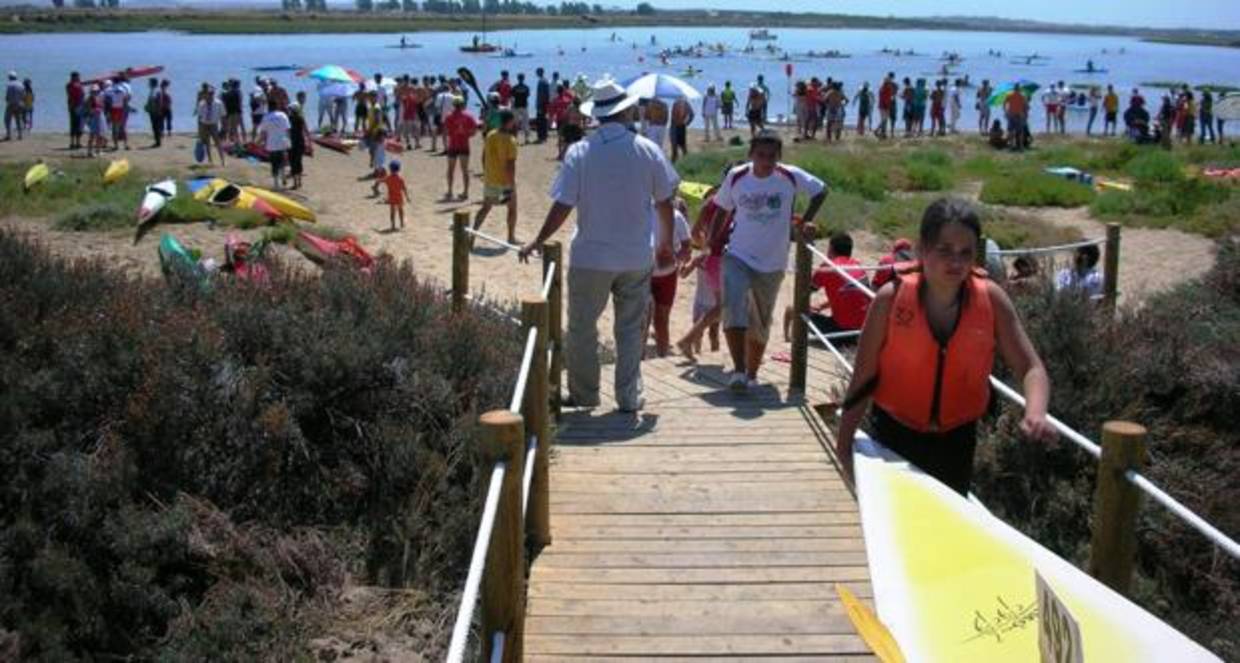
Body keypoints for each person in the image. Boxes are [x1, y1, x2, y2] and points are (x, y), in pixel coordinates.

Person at [834, 198, 1056, 495]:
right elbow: (863, 378)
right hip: (893, 439)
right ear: (922, 248)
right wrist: (844, 445)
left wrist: (1036, 411)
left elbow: (1031, 367)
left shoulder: (991, 300)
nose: (956, 262)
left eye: (966, 252)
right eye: (945, 250)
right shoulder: (889, 299)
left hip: (957, 445)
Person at [517, 78, 679, 413]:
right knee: (631, 329)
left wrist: (538, 239)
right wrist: (665, 243)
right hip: (635, 254)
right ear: (626, 111)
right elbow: (665, 201)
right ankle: (628, 397)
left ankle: (585, 394)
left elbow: (563, 204)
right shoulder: (647, 149)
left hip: (590, 255)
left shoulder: (580, 152)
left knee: (581, 330)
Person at [713, 130, 826, 392]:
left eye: (772, 156)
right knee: (733, 303)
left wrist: (805, 221)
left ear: (779, 156)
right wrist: (713, 241)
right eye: (761, 155)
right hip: (738, 253)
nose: (766, 161)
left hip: (772, 261)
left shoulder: (789, 176)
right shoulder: (737, 176)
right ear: (751, 154)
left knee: (761, 322)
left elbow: (821, 190)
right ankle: (738, 371)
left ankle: (752, 374)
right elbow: (722, 208)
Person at [783, 232, 870, 344]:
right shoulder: (858, 266)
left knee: (791, 309)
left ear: (831, 249)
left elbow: (803, 294)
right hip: (863, 333)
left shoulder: (828, 266)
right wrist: (822, 305)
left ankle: (787, 338)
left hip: (839, 333)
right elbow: (849, 293)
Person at [647, 198, 693, 357]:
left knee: (661, 320)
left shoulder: (676, 216)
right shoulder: (640, 212)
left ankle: (662, 357)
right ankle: (637, 361)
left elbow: (687, 245)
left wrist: (675, 258)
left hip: (667, 275)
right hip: (642, 273)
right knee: (642, 319)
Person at [473, 110, 520, 245]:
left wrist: (486, 172)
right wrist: (511, 184)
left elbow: (483, 157)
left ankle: (473, 234)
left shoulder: (490, 135)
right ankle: (511, 237)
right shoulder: (511, 141)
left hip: (490, 180)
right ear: (510, 122)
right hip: (504, 182)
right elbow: (510, 165)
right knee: (512, 208)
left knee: (486, 207)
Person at [443, 96, 478, 201]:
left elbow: (446, 131)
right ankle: (465, 192)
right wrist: (466, 134)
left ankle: (450, 191)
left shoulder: (449, 117)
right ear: (463, 105)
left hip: (453, 145)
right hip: (464, 145)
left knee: (450, 169)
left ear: (454, 105)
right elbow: (474, 131)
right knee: (465, 170)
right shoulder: (469, 116)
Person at [257, 103, 291, 190]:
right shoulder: (283, 115)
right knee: (282, 161)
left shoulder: (266, 117)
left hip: (271, 144)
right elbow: (288, 129)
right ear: (277, 107)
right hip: (282, 142)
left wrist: (258, 142)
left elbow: (263, 133)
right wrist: (289, 140)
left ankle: (276, 184)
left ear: (269, 108)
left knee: (274, 164)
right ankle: (283, 176)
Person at [194, 85, 226, 165]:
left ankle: (222, 161)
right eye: (208, 94)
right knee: (206, 143)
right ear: (206, 94)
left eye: (211, 94)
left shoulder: (218, 103)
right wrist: (199, 129)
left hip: (214, 125)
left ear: (213, 94)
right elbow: (199, 117)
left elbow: (222, 115)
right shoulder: (202, 104)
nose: (210, 95)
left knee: (218, 142)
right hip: (204, 125)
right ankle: (210, 160)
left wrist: (223, 127)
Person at [287, 102, 310, 190]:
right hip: (300, 142)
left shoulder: (288, 119)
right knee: (299, 161)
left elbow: (287, 131)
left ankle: (295, 183)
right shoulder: (301, 118)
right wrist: (309, 142)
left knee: (292, 162)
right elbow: (306, 130)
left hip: (292, 142)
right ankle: (299, 182)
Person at [382, 160, 409, 232]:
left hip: (391, 197)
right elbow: (404, 188)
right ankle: (402, 223)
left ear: (390, 169)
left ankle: (393, 225)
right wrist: (407, 197)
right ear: (399, 169)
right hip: (399, 196)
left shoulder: (388, 178)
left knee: (392, 212)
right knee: (401, 210)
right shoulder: (400, 179)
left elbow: (382, 180)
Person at [107, 76, 131, 150]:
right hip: (121, 108)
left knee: (115, 127)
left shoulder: (110, 89)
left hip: (114, 109)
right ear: (119, 81)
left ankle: (116, 145)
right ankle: (126, 145)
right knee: (123, 127)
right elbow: (127, 98)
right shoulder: (123, 89)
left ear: (113, 81)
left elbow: (107, 99)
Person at [670, 96, 694, 162]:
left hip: (675, 126)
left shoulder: (675, 103)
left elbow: (673, 116)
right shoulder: (686, 103)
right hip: (681, 126)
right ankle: (686, 162)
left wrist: (687, 122)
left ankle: (674, 163)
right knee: (683, 146)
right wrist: (687, 123)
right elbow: (692, 114)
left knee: (675, 147)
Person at [1004, 86, 1028, 152]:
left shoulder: (1009, 95)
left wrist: (1005, 112)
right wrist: (1025, 115)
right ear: (1019, 89)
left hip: (1011, 114)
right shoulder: (1022, 95)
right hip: (1019, 115)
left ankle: (1011, 146)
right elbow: (1026, 106)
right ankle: (1021, 147)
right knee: (1020, 132)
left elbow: (1004, 103)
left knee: (1011, 131)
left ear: (1013, 89)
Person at [145, 77, 166, 148]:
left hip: (155, 111)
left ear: (153, 83)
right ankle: (157, 141)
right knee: (155, 126)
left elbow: (157, 101)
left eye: (149, 82)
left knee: (155, 126)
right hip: (154, 110)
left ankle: (158, 142)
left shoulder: (155, 90)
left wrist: (158, 110)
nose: (148, 84)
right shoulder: (154, 90)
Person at [85, 85, 105, 158]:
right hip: (94, 118)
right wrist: (94, 111)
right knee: (92, 135)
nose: (95, 92)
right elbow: (88, 110)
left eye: (96, 91)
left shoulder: (99, 98)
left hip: (100, 117)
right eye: (94, 91)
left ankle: (98, 150)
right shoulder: (89, 99)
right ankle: (90, 152)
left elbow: (102, 107)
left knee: (100, 135)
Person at [66, 72, 84, 149]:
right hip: (77, 106)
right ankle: (77, 143)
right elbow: (81, 95)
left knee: (73, 124)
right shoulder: (77, 86)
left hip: (72, 106)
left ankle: (73, 143)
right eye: (78, 77)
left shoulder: (68, 85)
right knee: (78, 124)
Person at [511, 72, 531, 143]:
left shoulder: (514, 87)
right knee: (526, 123)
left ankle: (515, 139)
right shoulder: (526, 87)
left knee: (515, 123)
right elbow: (528, 95)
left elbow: (512, 96)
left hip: (516, 106)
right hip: (524, 106)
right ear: (524, 79)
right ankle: (527, 139)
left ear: (518, 79)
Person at [535, 67, 550, 143]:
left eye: (537, 72)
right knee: (543, 121)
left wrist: (540, 105)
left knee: (541, 122)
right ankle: (544, 137)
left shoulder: (542, 81)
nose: (536, 73)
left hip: (541, 105)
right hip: (544, 104)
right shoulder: (545, 81)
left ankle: (541, 138)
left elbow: (542, 95)